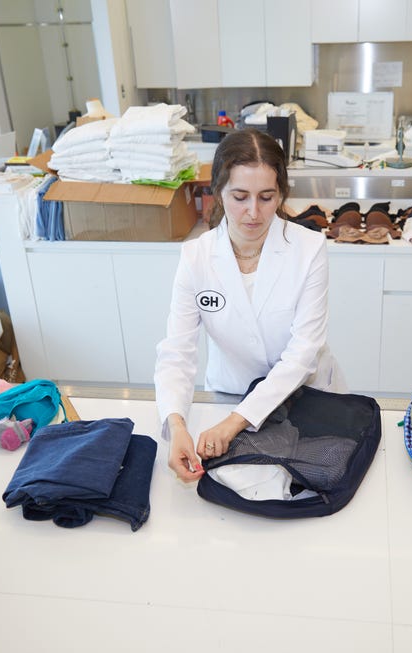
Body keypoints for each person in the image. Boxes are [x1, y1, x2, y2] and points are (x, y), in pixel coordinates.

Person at [154, 129, 345, 482]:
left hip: (307, 397)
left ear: (281, 194)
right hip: (231, 391)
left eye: (267, 197)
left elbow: (303, 352)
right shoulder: (196, 257)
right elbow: (177, 351)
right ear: (219, 193)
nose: (253, 213)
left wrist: (235, 422)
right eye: (240, 197)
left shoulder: (309, 249)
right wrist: (176, 423)